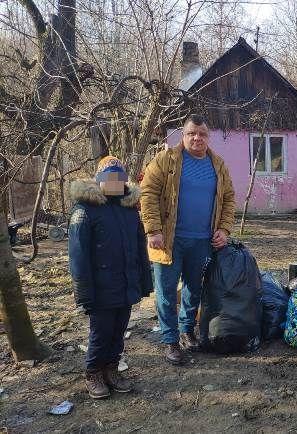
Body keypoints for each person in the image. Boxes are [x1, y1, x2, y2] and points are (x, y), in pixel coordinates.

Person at [140, 114, 235, 365]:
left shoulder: (218, 164)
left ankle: (187, 330)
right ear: (183, 135)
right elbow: (148, 193)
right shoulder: (166, 160)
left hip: (203, 241)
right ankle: (170, 340)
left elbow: (228, 199)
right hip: (168, 240)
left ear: (208, 137)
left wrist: (224, 230)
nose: (197, 138)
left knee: (194, 289)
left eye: (202, 134)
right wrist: (153, 230)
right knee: (166, 292)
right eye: (192, 133)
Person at [68, 156, 152, 399]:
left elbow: (140, 249)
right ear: (99, 180)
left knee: (118, 332)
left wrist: (144, 282)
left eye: (119, 177)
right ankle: (93, 372)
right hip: (100, 289)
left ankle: (112, 368)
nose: (114, 182)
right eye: (109, 177)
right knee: (101, 333)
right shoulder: (84, 211)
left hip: (126, 285)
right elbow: (78, 256)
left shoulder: (129, 209)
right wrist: (83, 292)